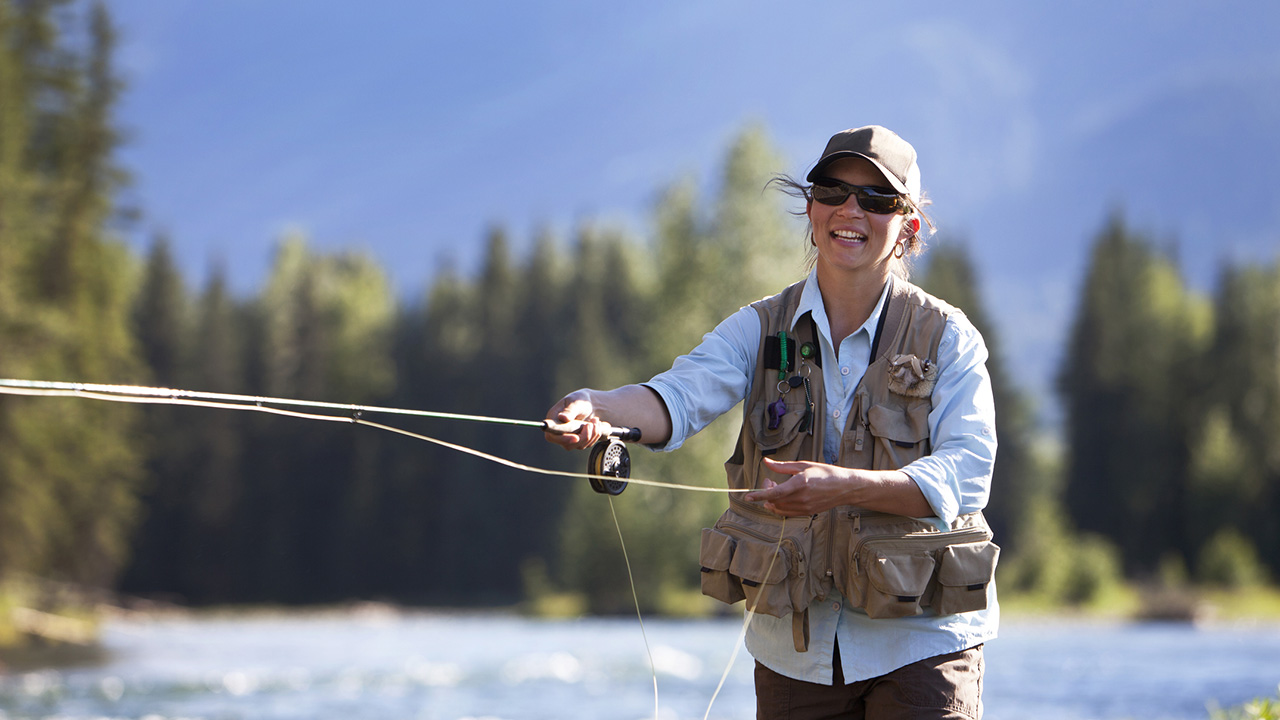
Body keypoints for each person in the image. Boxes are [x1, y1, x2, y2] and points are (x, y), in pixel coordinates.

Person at [545, 125, 998, 720]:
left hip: (922, 645)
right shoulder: (757, 329)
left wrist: (844, 487)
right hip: (795, 657)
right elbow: (675, 398)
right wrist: (595, 405)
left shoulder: (950, 338)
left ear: (908, 227)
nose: (850, 210)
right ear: (810, 209)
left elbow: (969, 473)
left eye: (876, 199)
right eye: (832, 191)